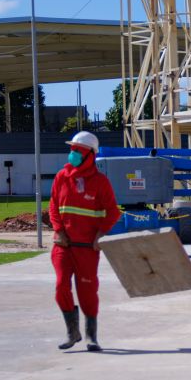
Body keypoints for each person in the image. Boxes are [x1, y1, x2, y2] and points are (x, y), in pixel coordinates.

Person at [49, 132, 120, 352]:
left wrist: (100, 234)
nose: (73, 153)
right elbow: (53, 207)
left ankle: (91, 336)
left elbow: (113, 212)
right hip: (64, 244)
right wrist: (59, 231)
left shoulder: (100, 182)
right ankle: (73, 332)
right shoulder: (62, 176)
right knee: (61, 286)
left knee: (87, 290)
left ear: (90, 154)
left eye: (78, 150)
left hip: (87, 247)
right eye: (72, 149)